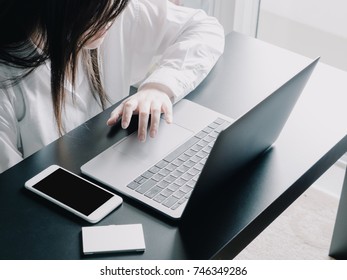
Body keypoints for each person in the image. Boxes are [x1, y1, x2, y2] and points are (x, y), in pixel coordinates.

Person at [0, 0, 224, 173]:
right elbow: (9, 202)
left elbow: (203, 28)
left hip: (108, 177)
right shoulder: (7, 82)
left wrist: (159, 87)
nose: (110, 18)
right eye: (97, 8)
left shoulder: (112, 15)